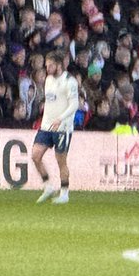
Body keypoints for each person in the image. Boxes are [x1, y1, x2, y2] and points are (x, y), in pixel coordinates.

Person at [31, 50, 79, 204]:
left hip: (62, 127)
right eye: (46, 65)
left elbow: (74, 104)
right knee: (35, 155)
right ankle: (48, 186)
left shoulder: (69, 81)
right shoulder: (48, 80)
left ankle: (64, 193)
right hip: (46, 126)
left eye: (50, 65)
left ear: (59, 65)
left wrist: (61, 118)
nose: (47, 68)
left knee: (61, 161)